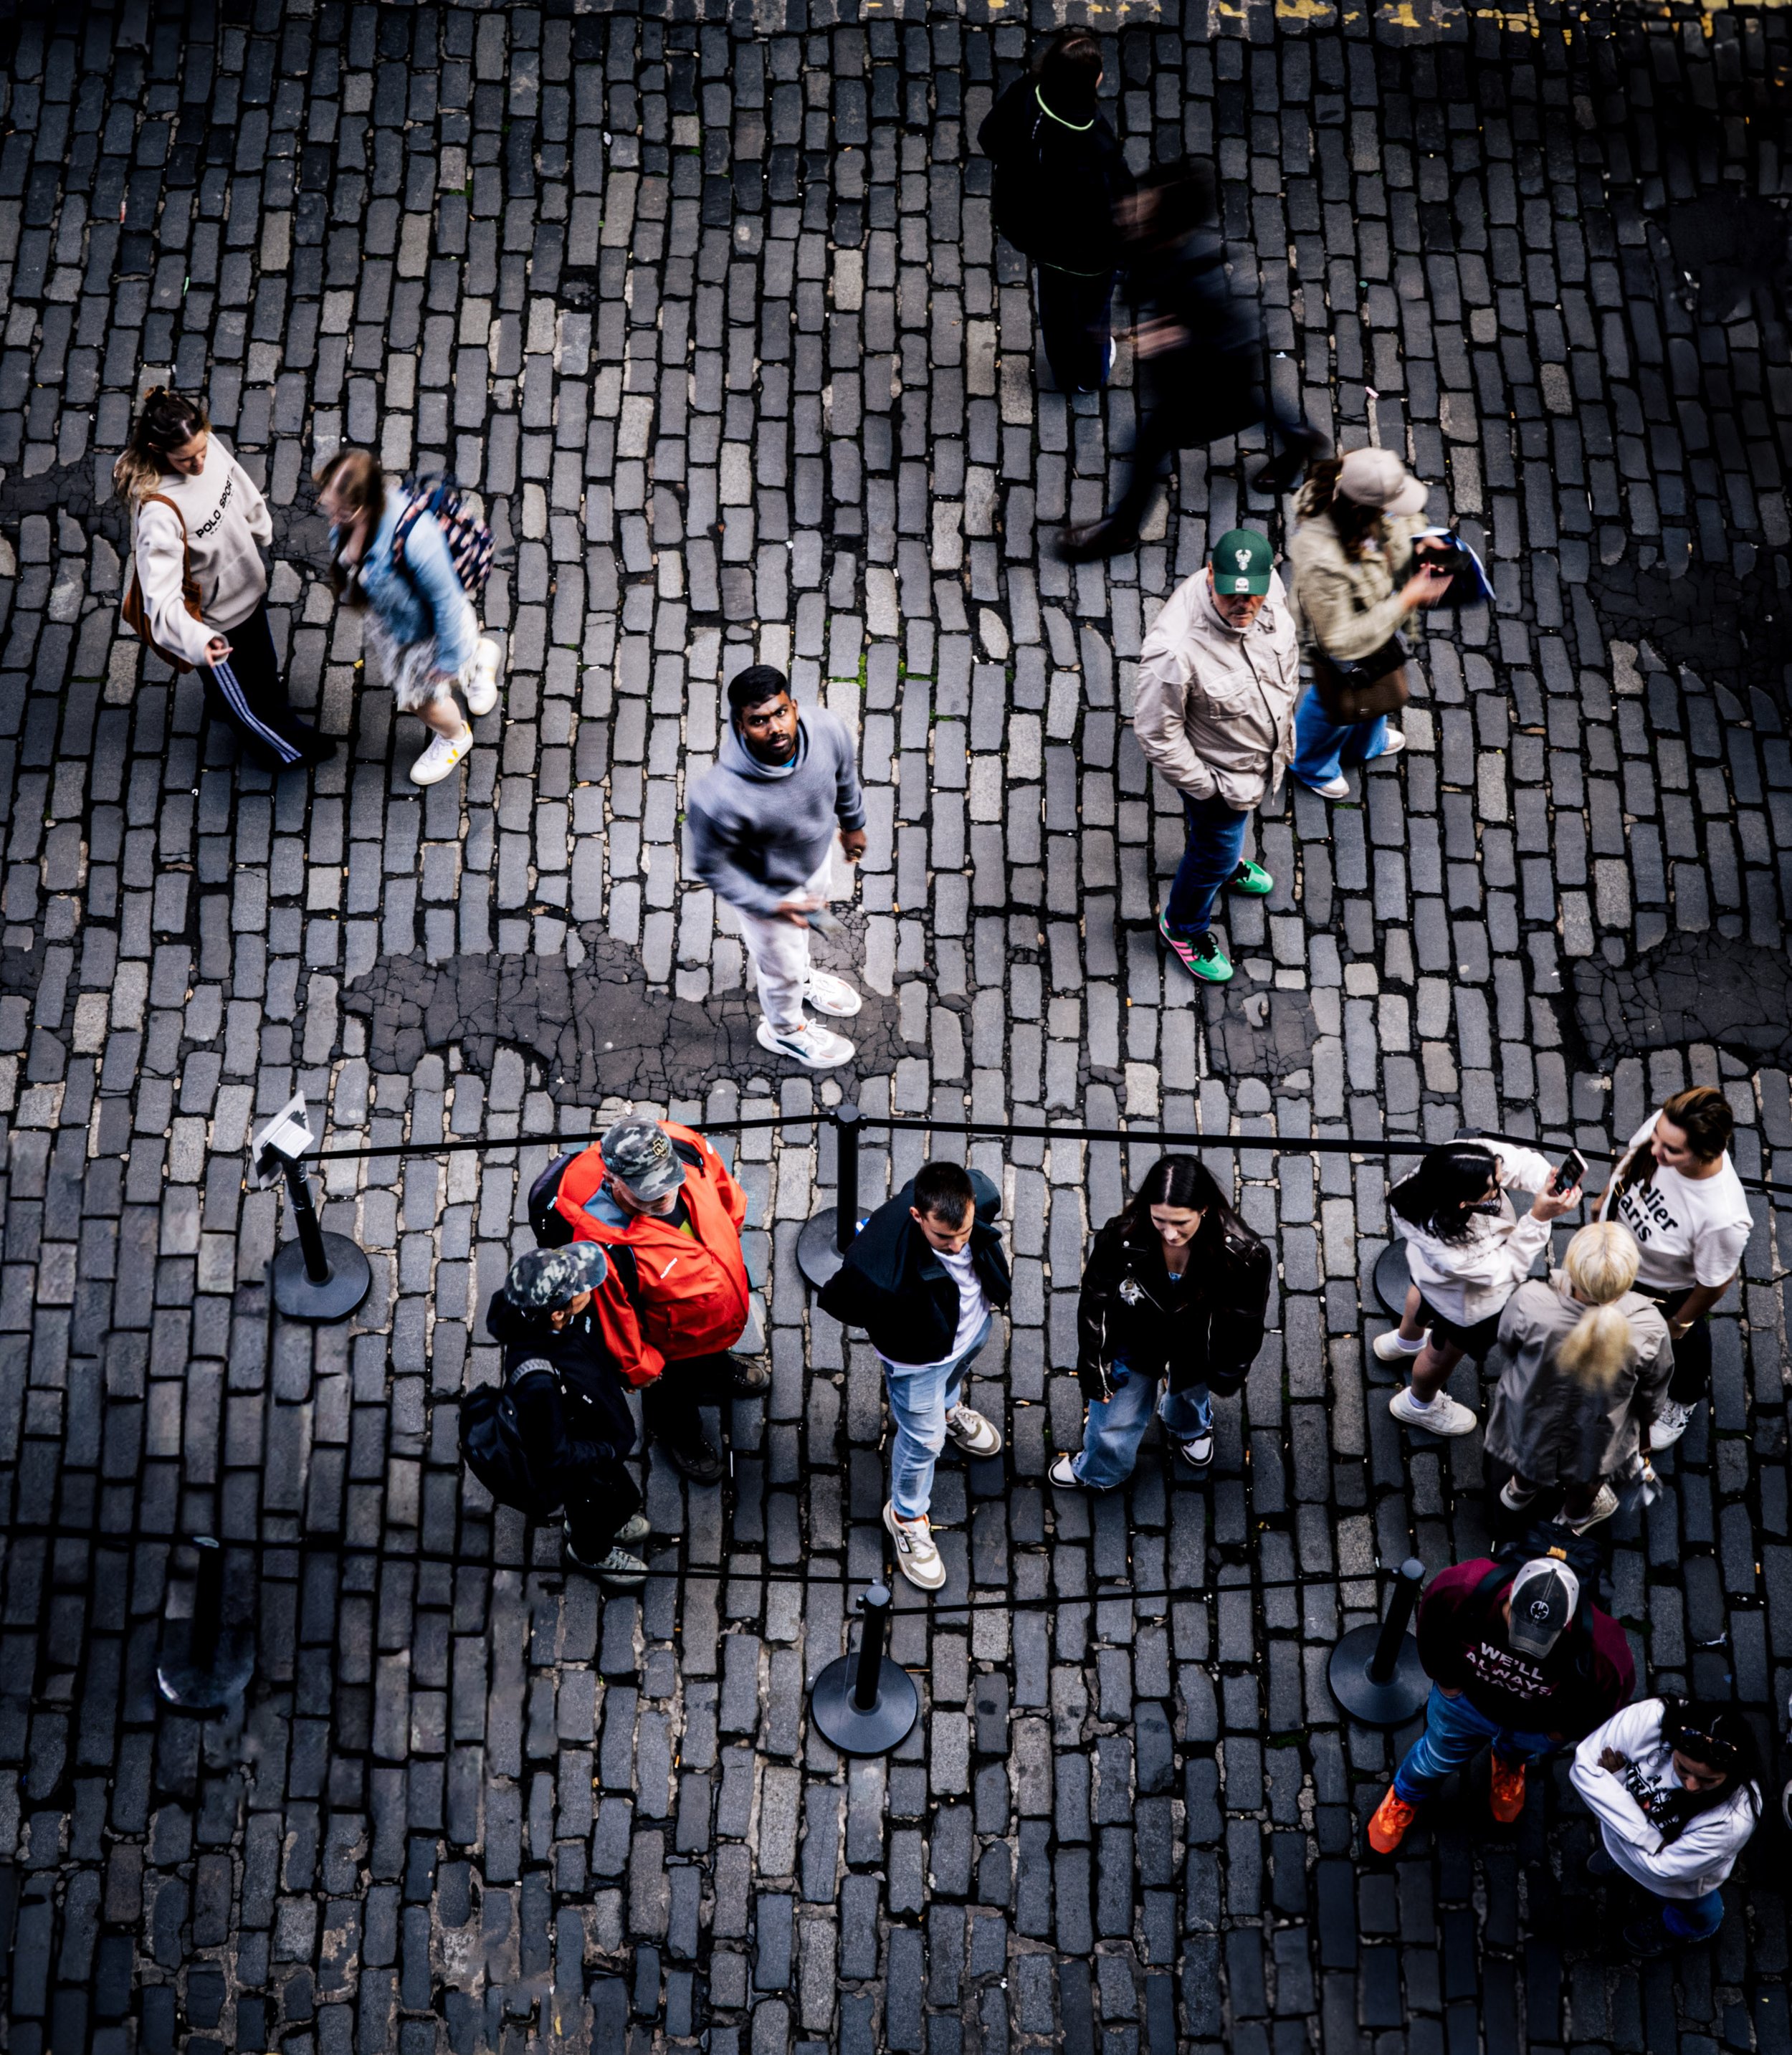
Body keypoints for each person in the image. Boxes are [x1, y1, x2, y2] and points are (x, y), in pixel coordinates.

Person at [1058, 161, 1327, 561]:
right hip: (1205, 372)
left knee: (1151, 443)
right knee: (1247, 408)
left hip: (1211, 377)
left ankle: (1122, 531)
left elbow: (1224, 338)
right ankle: (1299, 437)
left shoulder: (1197, 273)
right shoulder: (1149, 243)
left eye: (1141, 208)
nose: (1127, 212)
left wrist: (1173, 337)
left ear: (1167, 223)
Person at [113, 386, 333, 771]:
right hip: (216, 621)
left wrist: (258, 524)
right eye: (186, 459)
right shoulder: (159, 513)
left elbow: (235, 481)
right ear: (157, 450)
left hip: (246, 589)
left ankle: (225, 700)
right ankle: (284, 750)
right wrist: (198, 640)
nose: (199, 462)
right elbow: (159, 598)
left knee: (261, 668)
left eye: (201, 450)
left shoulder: (203, 444)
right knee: (250, 700)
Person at [543, 1113, 768, 1486]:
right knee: (672, 1396)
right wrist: (641, 1368)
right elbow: (613, 1316)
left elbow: (718, 1180)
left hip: (714, 1314)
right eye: (647, 1190)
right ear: (612, 1179)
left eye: (669, 1180)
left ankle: (716, 1368)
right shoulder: (600, 1243)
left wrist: (732, 1220)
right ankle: (681, 1435)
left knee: (710, 1356)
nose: (665, 1195)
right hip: (670, 1345)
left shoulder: (679, 1142)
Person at [818, 1161, 1011, 1593]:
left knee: (954, 1379)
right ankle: (906, 1516)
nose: (957, 1245)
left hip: (969, 1331)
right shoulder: (876, 1263)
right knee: (923, 1441)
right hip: (918, 1361)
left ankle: (948, 1409)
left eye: (965, 1232)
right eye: (944, 1237)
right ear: (917, 1215)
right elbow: (841, 1300)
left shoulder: (979, 1195)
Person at [1367, 1548, 1634, 1854]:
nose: (1524, 1645)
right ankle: (1405, 1796)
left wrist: (1558, 1734)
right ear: (1512, 1589)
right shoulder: (1462, 1589)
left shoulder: (1603, 1649)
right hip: (1464, 1707)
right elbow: (1432, 1623)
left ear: (1568, 1620)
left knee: (1515, 1752)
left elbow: (1607, 1701)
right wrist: (1447, 1683)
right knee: (1433, 1759)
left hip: (1534, 1727)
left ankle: (1508, 1765)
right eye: (1517, 1623)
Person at [1133, 529, 1300, 986]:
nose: (1243, 604)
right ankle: (1183, 926)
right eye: (1230, 593)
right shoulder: (1175, 651)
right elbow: (1157, 735)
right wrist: (1209, 789)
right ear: (1211, 575)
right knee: (1213, 850)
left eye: (1252, 593)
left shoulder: (1271, 592)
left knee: (1221, 845)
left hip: (1259, 759)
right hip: (1222, 780)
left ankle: (1224, 865)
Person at [684, 666, 868, 1071]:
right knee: (779, 970)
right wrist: (771, 905)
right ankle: (784, 1031)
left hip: (813, 862)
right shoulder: (719, 797)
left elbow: (844, 777)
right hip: (767, 894)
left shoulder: (827, 731)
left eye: (781, 713)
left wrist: (853, 824)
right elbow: (711, 866)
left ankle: (802, 977)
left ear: (794, 707)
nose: (776, 728)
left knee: (798, 951)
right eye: (759, 721)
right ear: (741, 725)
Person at [1052, 1153, 1271, 1488]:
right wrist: (1095, 1362)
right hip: (1134, 1336)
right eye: (1160, 1220)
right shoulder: (1122, 1236)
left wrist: (1227, 1370)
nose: (1170, 1234)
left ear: (1204, 1209)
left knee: (1190, 1394)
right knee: (1113, 1419)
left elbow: (1245, 1321)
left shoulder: (1244, 1254)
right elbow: (1096, 1299)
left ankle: (1188, 1426)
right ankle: (1100, 1472)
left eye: (1181, 1222)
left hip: (1198, 1339)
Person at [315, 447, 503, 788]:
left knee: (423, 701)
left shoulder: (417, 539)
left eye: (339, 511)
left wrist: (449, 660)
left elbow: (446, 602)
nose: (331, 519)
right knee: (445, 665)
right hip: (401, 624)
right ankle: (479, 659)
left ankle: (454, 736)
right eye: (329, 506)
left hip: (425, 635)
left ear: (362, 505)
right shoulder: (357, 517)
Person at [1376, 1139, 1581, 1439]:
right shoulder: (1458, 1253)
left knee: (1419, 1296)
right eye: (1493, 1186)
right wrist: (1539, 1218)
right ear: (1464, 1203)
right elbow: (1507, 1267)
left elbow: (1510, 1161)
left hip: (1427, 1276)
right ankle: (1419, 1404)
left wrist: (1547, 1181)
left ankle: (1405, 1342)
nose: (1500, 1182)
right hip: (1466, 1306)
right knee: (1440, 1354)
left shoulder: (1445, 1168)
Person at [1286, 448, 1454, 799]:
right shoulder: (1322, 561)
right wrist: (1406, 599)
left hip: (1377, 615)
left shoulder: (1355, 490)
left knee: (1375, 683)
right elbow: (1339, 638)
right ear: (1362, 510)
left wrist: (1419, 541)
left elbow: (1399, 521)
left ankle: (1366, 743)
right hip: (1343, 640)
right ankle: (1309, 763)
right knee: (1333, 701)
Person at [1484, 1222, 1673, 1534]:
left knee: (1531, 1449)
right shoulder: (1649, 1328)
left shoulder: (1531, 1300)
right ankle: (1574, 1518)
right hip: (1599, 1429)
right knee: (1588, 1476)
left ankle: (1520, 1491)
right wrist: (1646, 1424)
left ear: (1572, 1265)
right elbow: (1654, 1388)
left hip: (1533, 1408)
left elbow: (1507, 1343)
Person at [481, 1244, 650, 1591]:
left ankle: (591, 1521)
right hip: (585, 1459)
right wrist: (607, 1450)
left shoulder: (547, 1318)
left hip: (594, 1429)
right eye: (580, 1288)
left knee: (613, 1500)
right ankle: (590, 1551)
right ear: (558, 1314)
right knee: (608, 1502)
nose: (589, 1287)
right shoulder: (537, 1383)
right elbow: (554, 1455)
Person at [1593, 1086, 1752, 1450]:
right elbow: (1631, 1159)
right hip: (1616, 1259)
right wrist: (1603, 1201)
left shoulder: (1722, 1218)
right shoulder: (1666, 1130)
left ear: (1705, 1153)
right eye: (1657, 1138)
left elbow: (1715, 1282)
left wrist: (1679, 1324)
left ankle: (1683, 1398)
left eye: (1671, 1150)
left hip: (1660, 1293)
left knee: (1681, 1350)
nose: (1656, 1150)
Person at [976, 29, 1133, 396]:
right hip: (1085, 253)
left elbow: (989, 137)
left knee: (1055, 305)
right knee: (1092, 314)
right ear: (1090, 81)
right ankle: (1088, 376)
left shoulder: (1026, 92)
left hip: (1036, 233)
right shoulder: (1093, 141)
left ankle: (1063, 367)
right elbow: (1115, 205)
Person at [1572, 1697, 1763, 1955]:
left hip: (1682, 1887)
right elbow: (1583, 1766)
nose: (1691, 1786)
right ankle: (1622, 1864)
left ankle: (1687, 1930)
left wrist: (1616, 1792)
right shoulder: (1651, 1717)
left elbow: (1664, 1872)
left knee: (1696, 1912)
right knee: (1630, 1859)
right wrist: (1650, 1839)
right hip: (1631, 1848)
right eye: (1683, 1768)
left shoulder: (1735, 1818)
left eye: (1708, 1780)